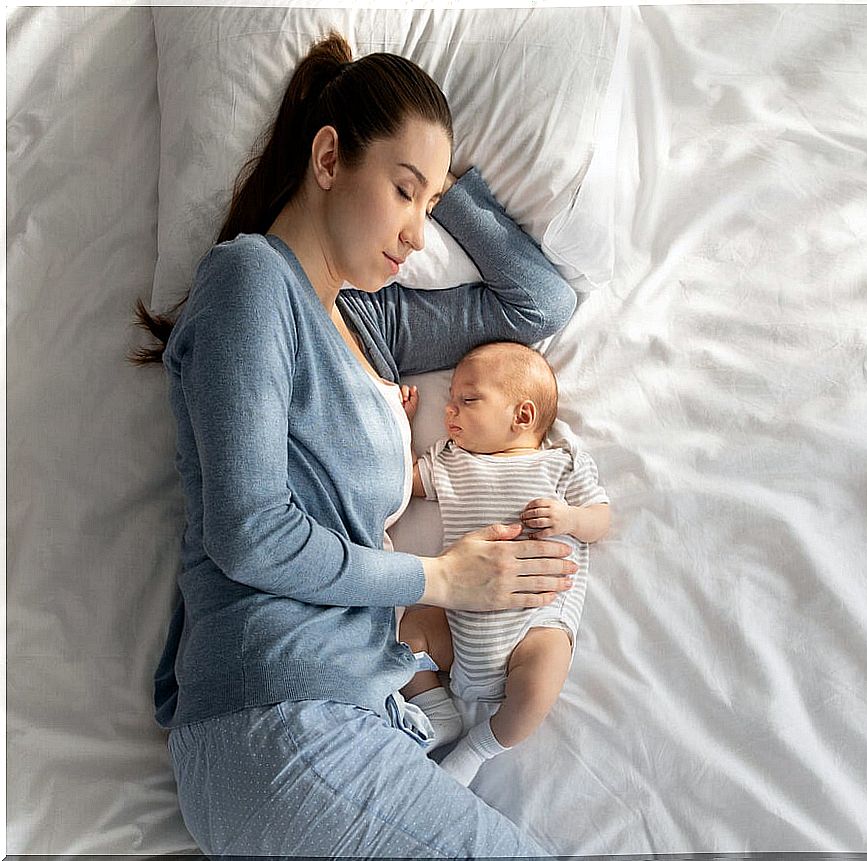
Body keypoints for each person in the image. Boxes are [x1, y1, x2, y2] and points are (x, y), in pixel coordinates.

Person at [132, 30, 580, 858]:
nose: (414, 234)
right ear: (329, 157)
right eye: (401, 191)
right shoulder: (250, 281)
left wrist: (443, 189)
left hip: (338, 715)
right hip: (277, 712)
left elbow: (540, 305)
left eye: (428, 205)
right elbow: (251, 530)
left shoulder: (371, 323)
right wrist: (440, 577)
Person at [395, 341, 611, 787]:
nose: (449, 411)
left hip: (530, 627)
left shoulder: (561, 463)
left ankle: (481, 745)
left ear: (523, 416)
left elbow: (599, 519)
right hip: (455, 623)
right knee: (408, 628)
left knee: (545, 670)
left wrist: (569, 517)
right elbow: (402, 482)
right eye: (449, 399)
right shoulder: (450, 460)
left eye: (467, 400)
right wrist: (402, 424)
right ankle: (437, 709)